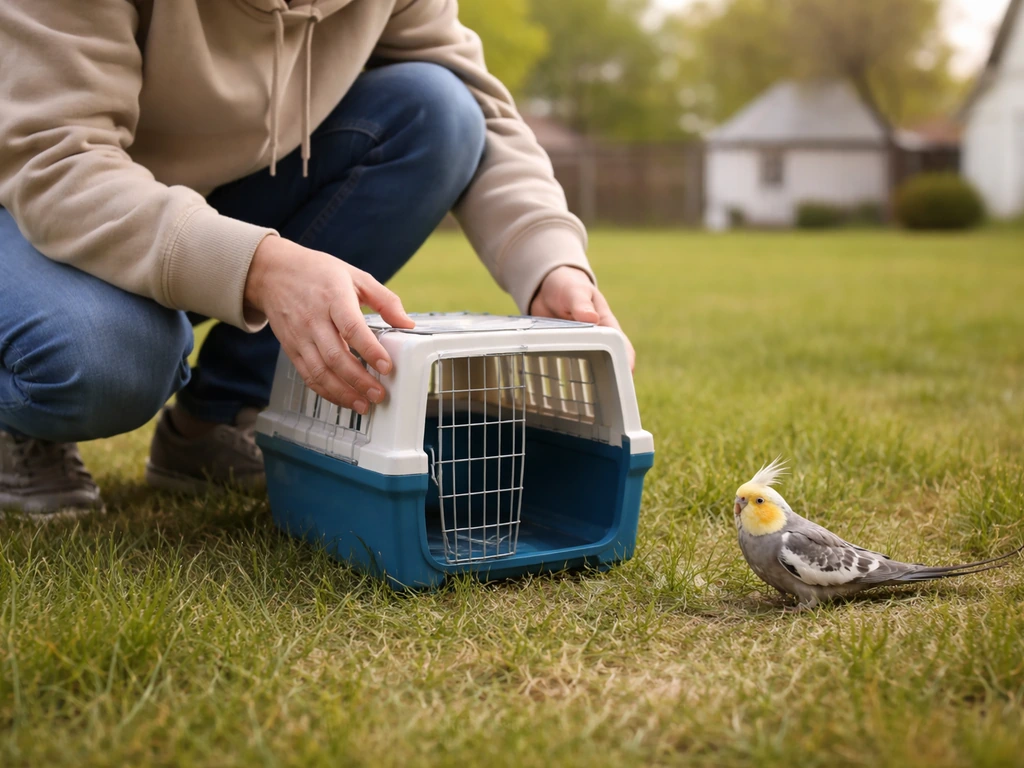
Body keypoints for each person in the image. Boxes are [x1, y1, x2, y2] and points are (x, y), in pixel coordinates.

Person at [0, 0, 633, 520]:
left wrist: (553, 266)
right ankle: (19, 424)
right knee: (109, 358)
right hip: (31, 198)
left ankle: (219, 420)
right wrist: (260, 266)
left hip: (200, 199)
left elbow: (481, 115)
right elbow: (54, 158)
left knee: (438, 111)